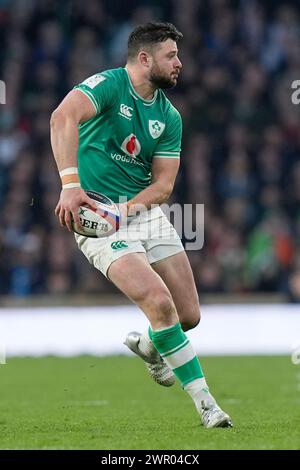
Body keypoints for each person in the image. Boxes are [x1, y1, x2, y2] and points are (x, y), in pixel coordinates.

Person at [50, 22, 232, 428]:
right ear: (145, 58)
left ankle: (151, 348)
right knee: (159, 303)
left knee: (188, 315)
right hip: (98, 219)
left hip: (141, 213)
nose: (180, 64)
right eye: (172, 56)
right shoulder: (109, 86)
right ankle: (208, 406)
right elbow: (62, 117)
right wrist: (69, 185)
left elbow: (164, 186)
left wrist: (126, 210)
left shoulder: (169, 115)